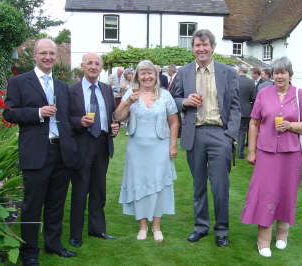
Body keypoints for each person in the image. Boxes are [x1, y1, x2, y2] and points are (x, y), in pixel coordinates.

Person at [3, 38, 79, 266]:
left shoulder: (62, 86)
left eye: (52, 53)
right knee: (33, 205)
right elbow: (9, 114)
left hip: (61, 153)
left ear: (56, 57)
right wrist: (37, 112)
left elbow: (66, 118)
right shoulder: (19, 82)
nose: (48, 57)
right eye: (43, 53)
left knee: (56, 203)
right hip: (36, 152)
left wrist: (81, 124)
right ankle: (29, 252)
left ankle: (53, 244)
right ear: (35, 56)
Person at [241, 57, 302, 258]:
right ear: (272, 75)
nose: (279, 76)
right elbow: (254, 123)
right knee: (265, 194)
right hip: (266, 153)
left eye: (283, 72)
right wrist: (252, 151)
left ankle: (282, 235)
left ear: (290, 74)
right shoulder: (264, 94)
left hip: (291, 154)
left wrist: (291, 125)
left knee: (287, 193)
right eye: (276, 73)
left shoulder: (300, 95)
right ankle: (263, 240)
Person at [173, 29, 240, 247]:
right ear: (192, 48)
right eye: (197, 45)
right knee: (198, 185)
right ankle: (200, 226)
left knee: (220, 186)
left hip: (220, 134)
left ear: (212, 47)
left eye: (205, 45)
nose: (201, 49)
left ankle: (221, 230)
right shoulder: (183, 72)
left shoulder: (227, 72)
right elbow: (171, 99)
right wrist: (184, 101)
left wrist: (230, 135)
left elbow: (236, 107)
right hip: (194, 134)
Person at [116, 60, 179, 242]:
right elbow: (117, 117)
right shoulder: (131, 93)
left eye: (150, 73)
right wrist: (127, 102)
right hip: (136, 149)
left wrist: (173, 145)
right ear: (137, 76)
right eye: (142, 73)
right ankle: (143, 226)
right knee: (139, 186)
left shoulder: (165, 95)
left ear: (156, 75)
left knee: (159, 186)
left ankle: (157, 226)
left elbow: (174, 122)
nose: (147, 76)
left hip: (160, 147)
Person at [68, 53, 120, 248]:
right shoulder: (71, 90)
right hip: (81, 145)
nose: (93, 66)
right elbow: (65, 119)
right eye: (89, 63)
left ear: (101, 68)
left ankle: (97, 229)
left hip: (102, 145)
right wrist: (79, 121)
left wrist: (115, 128)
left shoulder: (106, 89)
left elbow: (111, 117)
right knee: (80, 191)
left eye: (97, 63)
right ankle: (75, 234)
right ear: (82, 66)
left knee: (99, 190)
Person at [237, 65, 256, 159]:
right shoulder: (251, 82)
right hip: (246, 111)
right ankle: (242, 153)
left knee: (234, 130)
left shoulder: (233, 80)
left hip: (234, 109)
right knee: (244, 131)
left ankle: (234, 152)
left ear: (239, 70)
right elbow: (254, 98)